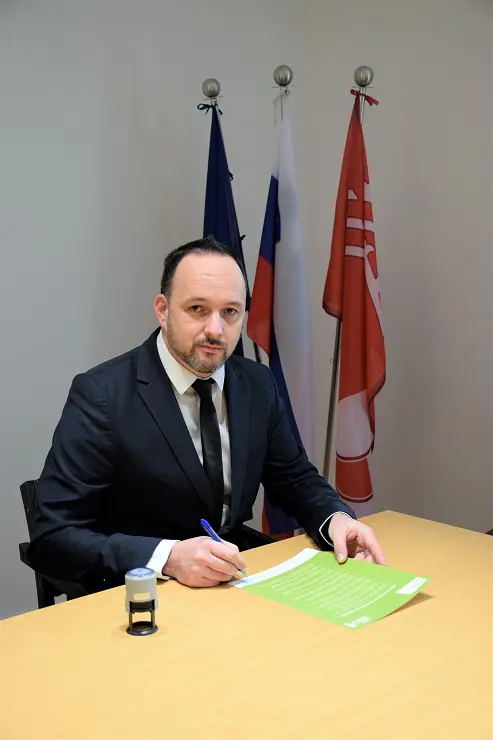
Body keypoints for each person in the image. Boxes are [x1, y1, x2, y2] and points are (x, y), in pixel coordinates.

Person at [29, 237, 385, 592]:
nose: (215, 329)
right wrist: (167, 557)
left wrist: (335, 519)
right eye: (197, 308)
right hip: (141, 594)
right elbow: (53, 535)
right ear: (163, 310)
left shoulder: (257, 383)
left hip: (232, 583)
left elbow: (294, 479)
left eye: (230, 312)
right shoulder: (102, 395)